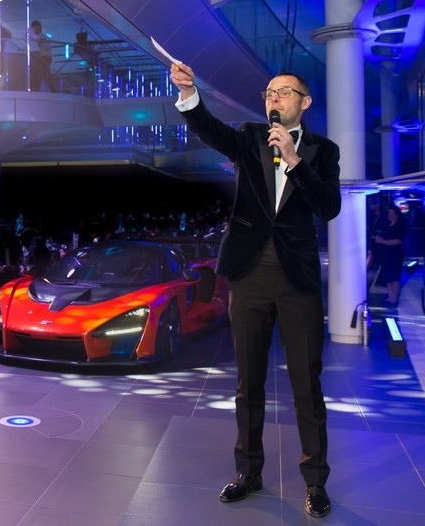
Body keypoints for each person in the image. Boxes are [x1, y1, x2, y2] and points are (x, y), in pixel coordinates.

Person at [170, 63, 341, 518]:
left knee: (306, 384)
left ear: (304, 102)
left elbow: (328, 207)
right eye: (269, 93)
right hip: (249, 274)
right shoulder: (249, 137)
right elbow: (210, 130)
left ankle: (315, 482)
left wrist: (295, 160)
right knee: (249, 382)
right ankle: (248, 472)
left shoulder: (324, 151)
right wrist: (188, 94)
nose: (273, 99)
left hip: (298, 278)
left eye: (283, 92)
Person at [375, 203, 406, 306]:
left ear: (397, 215)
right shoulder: (386, 226)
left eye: (392, 213)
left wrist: (383, 241)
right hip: (386, 254)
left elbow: (398, 241)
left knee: (394, 276)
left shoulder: (399, 227)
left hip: (395, 254)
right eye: (389, 213)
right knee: (388, 276)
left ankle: (394, 297)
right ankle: (390, 295)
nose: (390, 215)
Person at [28, 20, 55, 92]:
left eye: (35, 27)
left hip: (45, 57)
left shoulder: (42, 36)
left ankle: (51, 90)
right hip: (42, 57)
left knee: (44, 74)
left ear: (39, 27)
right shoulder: (39, 36)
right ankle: (37, 89)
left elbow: (39, 42)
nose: (34, 29)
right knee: (41, 73)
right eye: (33, 28)